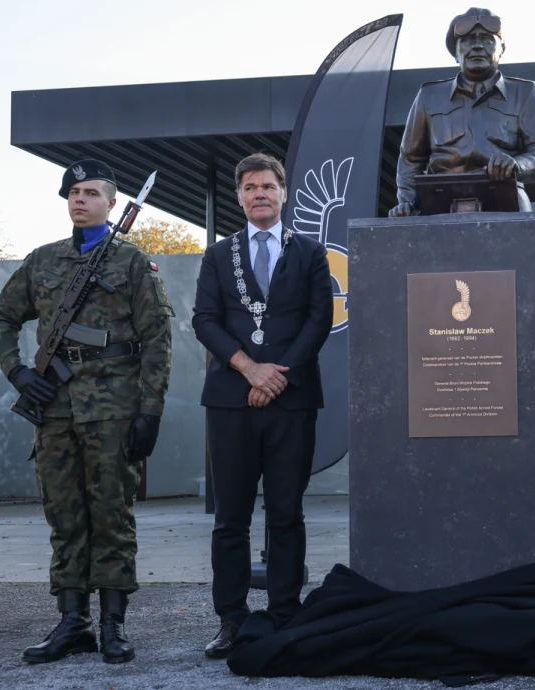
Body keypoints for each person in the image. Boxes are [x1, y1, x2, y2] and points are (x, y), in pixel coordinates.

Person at [0, 159, 175, 664]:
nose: (79, 199)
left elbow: (158, 339)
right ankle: (73, 622)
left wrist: (150, 411)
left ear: (111, 203)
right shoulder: (43, 260)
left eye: (91, 192)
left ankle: (113, 624)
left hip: (113, 409)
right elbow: (1, 315)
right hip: (54, 407)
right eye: (73, 192)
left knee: (112, 514)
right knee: (63, 515)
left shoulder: (132, 263)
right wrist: (17, 371)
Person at [192, 152, 333, 658]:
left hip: (291, 400)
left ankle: (284, 614)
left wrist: (276, 376)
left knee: (286, 513)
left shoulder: (310, 253)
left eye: (268, 186)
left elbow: (318, 321)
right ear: (239, 197)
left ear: (283, 193)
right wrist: (250, 370)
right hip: (231, 402)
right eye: (250, 187)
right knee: (230, 518)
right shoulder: (218, 255)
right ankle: (231, 619)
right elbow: (205, 320)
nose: (260, 194)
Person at [388, 8, 535, 217]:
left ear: (502, 49)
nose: (477, 46)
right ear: (455, 52)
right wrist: (407, 202)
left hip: (506, 201)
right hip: (438, 203)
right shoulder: (428, 96)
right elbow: (411, 158)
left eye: (487, 39)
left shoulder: (525, 94)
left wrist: (517, 165)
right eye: (467, 40)